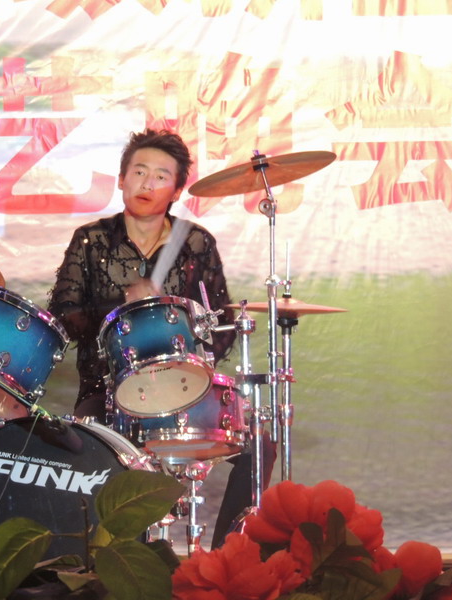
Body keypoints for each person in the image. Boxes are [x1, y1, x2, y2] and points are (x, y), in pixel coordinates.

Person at [47, 128, 274, 548]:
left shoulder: (196, 242)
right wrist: (118, 304)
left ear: (176, 190)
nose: (147, 184)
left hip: (185, 392)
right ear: (121, 179)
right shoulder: (91, 240)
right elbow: (64, 314)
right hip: (107, 393)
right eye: (138, 172)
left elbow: (221, 324)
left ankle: (227, 555)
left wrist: (195, 355)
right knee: (85, 450)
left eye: (160, 176)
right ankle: (110, 556)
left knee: (259, 444)